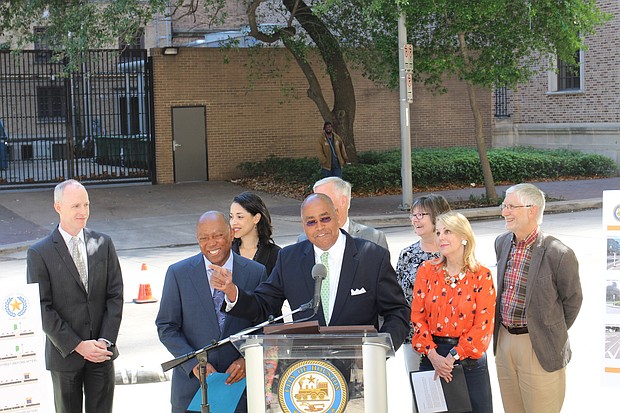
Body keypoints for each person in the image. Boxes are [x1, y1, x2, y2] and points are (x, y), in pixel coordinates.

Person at [211, 193, 409, 350]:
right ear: (303, 225)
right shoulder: (289, 259)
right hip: (308, 371)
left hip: (361, 370)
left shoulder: (372, 257)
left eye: (325, 218)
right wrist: (232, 292)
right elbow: (264, 305)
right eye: (311, 222)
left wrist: (380, 349)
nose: (320, 227)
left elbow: (397, 311)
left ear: (337, 217)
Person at [26, 179, 123, 413]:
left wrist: (104, 341)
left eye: (86, 205)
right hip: (65, 357)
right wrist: (78, 345)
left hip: (101, 353)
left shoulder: (103, 243)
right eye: (75, 206)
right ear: (58, 207)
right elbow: (42, 308)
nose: (83, 212)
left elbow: (115, 296)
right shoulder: (40, 252)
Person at [156, 211, 267, 413]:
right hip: (191, 392)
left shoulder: (255, 272)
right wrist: (193, 364)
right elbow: (166, 327)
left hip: (241, 390)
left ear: (232, 234)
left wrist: (247, 359)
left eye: (217, 236)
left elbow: (267, 325)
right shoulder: (178, 273)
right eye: (204, 238)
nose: (211, 243)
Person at [493, 183, 582, 413]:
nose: (504, 211)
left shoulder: (559, 253)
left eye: (511, 206)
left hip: (538, 346)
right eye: (504, 205)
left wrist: (546, 331)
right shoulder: (502, 242)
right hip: (504, 341)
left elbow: (572, 301)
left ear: (532, 210)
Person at [411, 211, 495, 413]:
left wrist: (451, 358)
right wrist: (434, 357)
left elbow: (483, 326)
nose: (441, 237)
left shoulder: (481, 275)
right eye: (438, 232)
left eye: (447, 231)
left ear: (464, 236)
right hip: (432, 359)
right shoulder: (426, 271)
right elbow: (417, 317)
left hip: (469, 363)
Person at [396, 194, 451, 374]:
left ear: (437, 216)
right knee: (420, 396)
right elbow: (398, 298)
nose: (415, 220)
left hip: (450, 339)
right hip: (415, 340)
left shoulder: (454, 253)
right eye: (413, 215)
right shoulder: (407, 255)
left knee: (451, 396)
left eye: (422, 215)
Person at [297, 176, 389, 250]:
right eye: (315, 199)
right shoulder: (303, 240)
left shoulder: (373, 239)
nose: (317, 205)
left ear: (343, 201)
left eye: (324, 199)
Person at [230, 191, 281, 275]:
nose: (233, 222)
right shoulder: (226, 252)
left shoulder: (276, 255)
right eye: (231, 217)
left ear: (256, 218)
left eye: (240, 217)